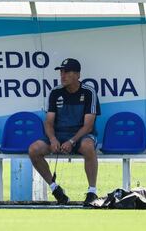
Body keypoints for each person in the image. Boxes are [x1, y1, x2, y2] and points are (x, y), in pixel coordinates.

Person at [28, 58, 101, 206]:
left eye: (67, 72)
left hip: (81, 136)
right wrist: (53, 139)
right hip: (59, 135)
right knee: (34, 149)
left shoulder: (89, 92)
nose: (63, 75)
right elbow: (48, 122)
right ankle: (55, 189)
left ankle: (92, 192)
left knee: (88, 146)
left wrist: (72, 141)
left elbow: (88, 125)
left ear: (77, 75)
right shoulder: (55, 92)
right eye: (61, 71)